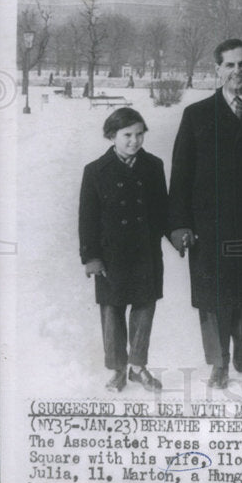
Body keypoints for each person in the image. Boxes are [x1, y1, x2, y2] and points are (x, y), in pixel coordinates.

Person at [168, 39, 242, 389]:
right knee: (213, 299)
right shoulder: (197, 114)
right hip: (209, 223)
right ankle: (219, 362)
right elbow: (181, 174)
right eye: (230, 65)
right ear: (217, 69)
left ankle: (241, 335)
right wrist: (179, 224)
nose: (238, 71)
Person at [78, 107, 168, 392]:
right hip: (111, 255)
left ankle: (138, 368)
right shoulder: (95, 170)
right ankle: (118, 369)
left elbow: (162, 210)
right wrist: (91, 256)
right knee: (112, 312)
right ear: (111, 136)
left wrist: (177, 233)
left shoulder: (153, 166)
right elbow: (87, 218)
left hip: (145, 252)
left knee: (144, 308)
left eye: (140, 134)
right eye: (127, 135)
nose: (134, 141)